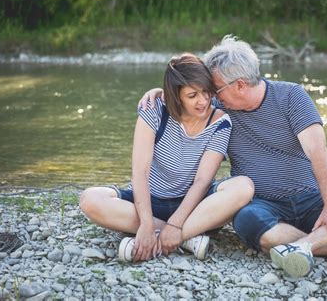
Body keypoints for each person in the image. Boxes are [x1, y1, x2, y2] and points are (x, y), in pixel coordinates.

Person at [140, 36, 327, 278]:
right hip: (264, 207)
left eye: (215, 89)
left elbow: (318, 152)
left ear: (239, 85)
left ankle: (304, 246)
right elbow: (186, 89)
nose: (210, 96)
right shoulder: (220, 111)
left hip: (312, 201)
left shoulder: (292, 96)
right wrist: (163, 93)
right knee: (246, 220)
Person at [80, 53, 254, 262]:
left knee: (243, 187)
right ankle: (185, 239)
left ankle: (168, 236)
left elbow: (202, 181)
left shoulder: (220, 121)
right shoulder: (154, 110)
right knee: (90, 199)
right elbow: (140, 173)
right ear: (175, 96)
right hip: (149, 201)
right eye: (192, 96)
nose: (203, 101)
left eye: (207, 92)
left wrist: (176, 224)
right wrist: (146, 223)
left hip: (193, 205)